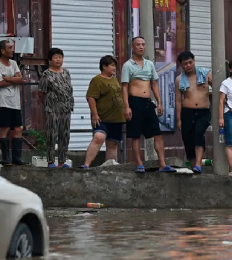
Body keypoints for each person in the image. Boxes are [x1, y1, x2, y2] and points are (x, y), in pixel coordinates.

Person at [121, 37, 175, 173]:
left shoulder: (149, 64)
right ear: (132, 47)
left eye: (143, 45)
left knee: (157, 133)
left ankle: (162, 164)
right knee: (135, 135)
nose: (141, 47)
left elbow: (154, 84)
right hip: (135, 102)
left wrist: (159, 102)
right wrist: (126, 106)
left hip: (147, 102)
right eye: (138, 45)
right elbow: (124, 87)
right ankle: (139, 163)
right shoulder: (128, 65)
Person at [81, 55, 125, 169]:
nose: (114, 68)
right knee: (98, 137)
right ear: (104, 67)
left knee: (112, 143)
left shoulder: (115, 80)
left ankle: (110, 167)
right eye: (111, 65)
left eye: (115, 65)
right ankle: (86, 165)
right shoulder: (97, 80)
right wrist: (95, 114)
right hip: (102, 117)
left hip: (116, 117)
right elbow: (91, 97)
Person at [175, 51, 212, 173]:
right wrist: (179, 119)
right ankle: (194, 168)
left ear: (194, 61)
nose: (188, 66)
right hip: (187, 112)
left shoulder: (205, 74)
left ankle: (198, 164)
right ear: (181, 65)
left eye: (190, 62)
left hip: (203, 111)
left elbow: (219, 88)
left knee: (198, 133)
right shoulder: (179, 79)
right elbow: (179, 100)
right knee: (188, 139)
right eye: (185, 64)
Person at [38, 48, 74, 168]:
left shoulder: (66, 72)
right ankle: (50, 161)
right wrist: (48, 104)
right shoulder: (46, 74)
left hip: (66, 108)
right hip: (52, 109)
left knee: (65, 135)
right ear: (50, 60)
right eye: (55, 57)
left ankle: (62, 161)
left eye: (60, 57)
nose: (58, 59)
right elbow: (41, 92)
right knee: (51, 135)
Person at [0, 40, 25, 166]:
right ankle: (6, 158)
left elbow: (21, 79)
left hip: (15, 102)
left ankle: (17, 158)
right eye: (10, 48)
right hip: (3, 101)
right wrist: (14, 80)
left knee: (19, 128)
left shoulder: (14, 63)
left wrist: (8, 78)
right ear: (2, 50)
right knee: (5, 127)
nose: (12, 50)